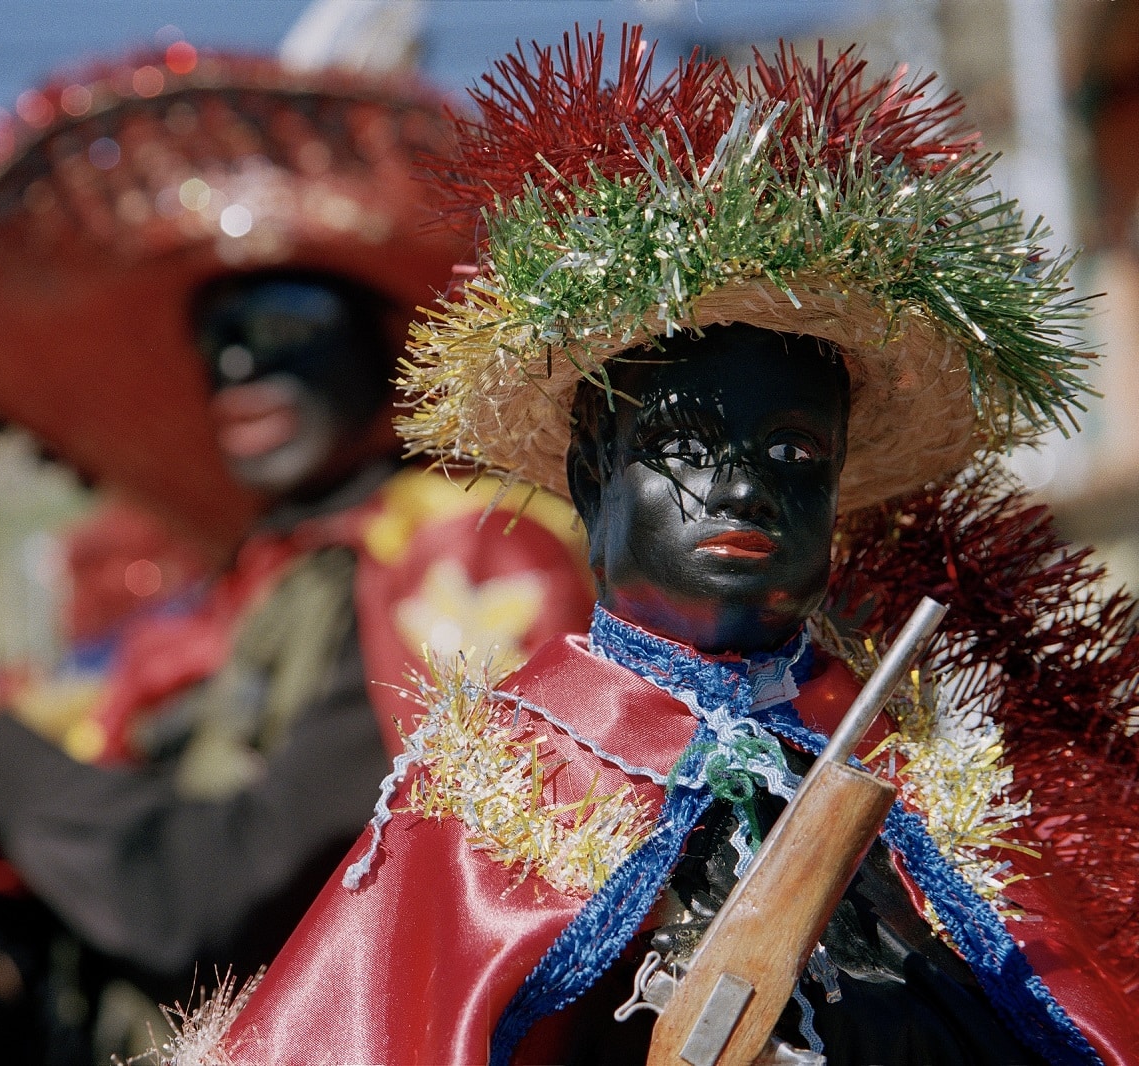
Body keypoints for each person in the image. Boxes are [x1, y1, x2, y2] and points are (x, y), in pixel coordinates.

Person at [173, 28, 1138, 1065]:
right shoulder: (501, 787)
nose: (740, 483)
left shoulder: (920, 770)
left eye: (792, 451)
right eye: (681, 442)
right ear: (594, 476)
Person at [0, 47, 595, 1065]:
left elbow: (204, 904)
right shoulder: (230, 603)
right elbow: (94, 931)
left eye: (283, 321)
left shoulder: (463, 562)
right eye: (214, 336)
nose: (239, 362)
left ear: (400, 341)